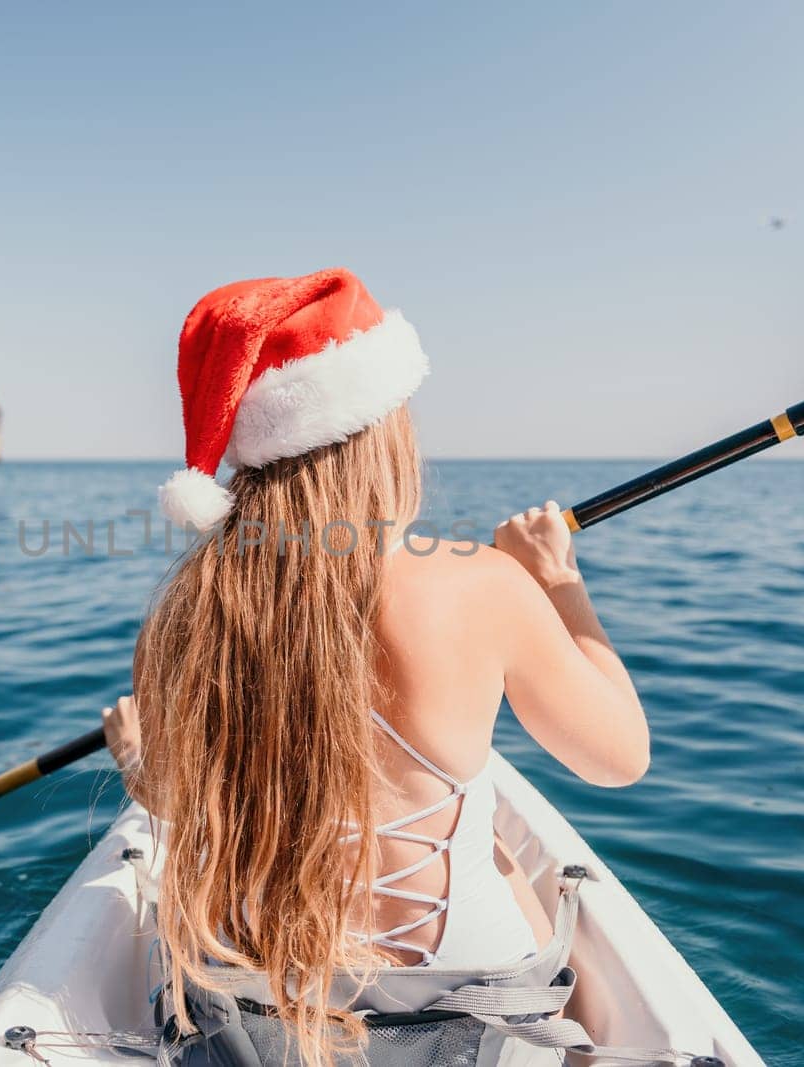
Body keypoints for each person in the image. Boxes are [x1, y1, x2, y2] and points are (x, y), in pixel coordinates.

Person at [100, 268, 649, 1066]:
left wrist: (133, 755)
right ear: (378, 430)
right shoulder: (481, 584)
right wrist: (558, 584)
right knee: (500, 854)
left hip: (261, 1011)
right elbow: (620, 757)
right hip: (462, 1000)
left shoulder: (185, 613)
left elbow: (175, 797)